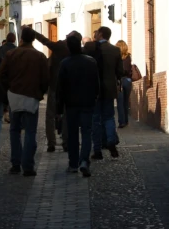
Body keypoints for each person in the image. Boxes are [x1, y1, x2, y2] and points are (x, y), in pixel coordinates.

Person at [0, 26, 49, 176]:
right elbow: (46, 78)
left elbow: (1, 74)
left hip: (14, 95)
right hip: (32, 96)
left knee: (15, 130)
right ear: (33, 39)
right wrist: (40, 91)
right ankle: (28, 166)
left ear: (21, 37)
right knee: (30, 132)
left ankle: (15, 163)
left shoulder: (11, 54)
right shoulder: (39, 56)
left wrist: (8, 88)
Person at [30, 27, 83, 152]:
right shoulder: (77, 50)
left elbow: (45, 41)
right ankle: (66, 141)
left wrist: (33, 32)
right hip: (70, 88)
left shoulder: (61, 46)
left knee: (50, 115)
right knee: (66, 115)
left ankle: (51, 142)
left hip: (55, 85)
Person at [56, 36, 99, 177]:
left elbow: (60, 88)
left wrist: (58, 109)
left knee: (73, 135)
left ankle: (73, 164)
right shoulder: (91, 62)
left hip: (71, 104)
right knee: (87, 133)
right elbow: (96, 83)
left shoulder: (65, 64)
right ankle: (84, 161)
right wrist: (94, 98)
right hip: (87, 103)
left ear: (68, 47)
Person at [83, 26, 124, 160]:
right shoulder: (115, 50)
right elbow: (120, 72)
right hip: (110, 88)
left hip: (94, 88)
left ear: (100, 34)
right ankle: (111, 141)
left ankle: (97, 150)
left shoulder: (90, 47)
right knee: (109, 117)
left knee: (95, 120)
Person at [0, 32, 17, 122]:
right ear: (14, 40)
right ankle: (9, 115)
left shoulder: (1, 49)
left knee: (3, 95)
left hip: (3, 76)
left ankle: (3, 114)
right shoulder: (17, 50)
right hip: (13, 77)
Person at [115, 39, 132, 128]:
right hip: (128, 81)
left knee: (120, 102)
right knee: (126, 102)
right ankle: (126, 120)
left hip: (120, 81)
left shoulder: (116, 57)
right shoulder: (128, 57)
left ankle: (121, 122)